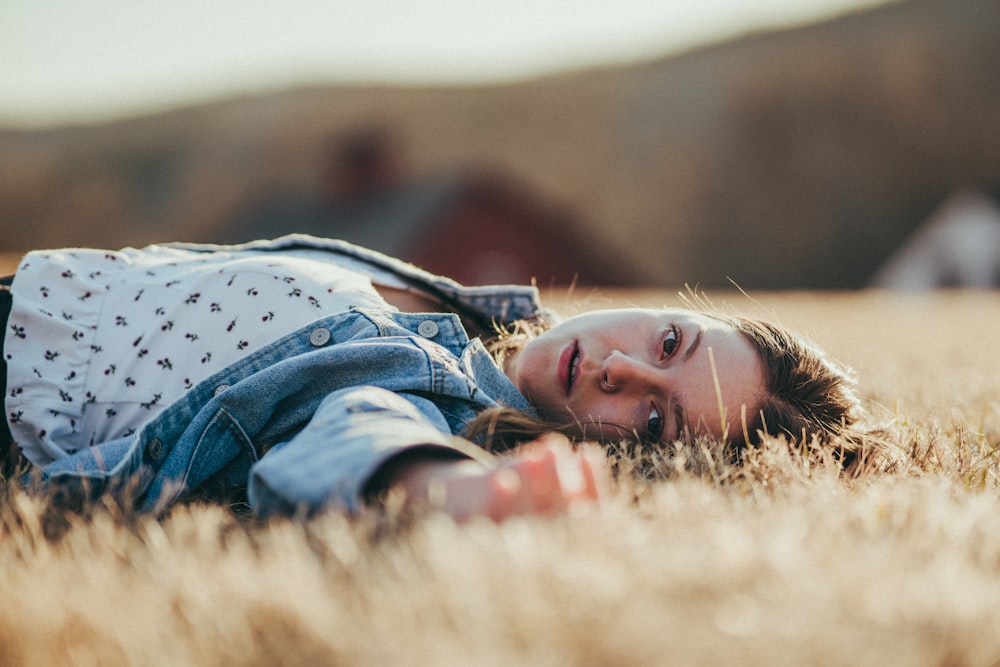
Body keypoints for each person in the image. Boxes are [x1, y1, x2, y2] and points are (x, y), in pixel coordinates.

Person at [0, 235, 865, 522]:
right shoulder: (466, 322)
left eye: (652, 421)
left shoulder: (437, 395)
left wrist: (450, 487)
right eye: (670, 341)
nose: (619, 368)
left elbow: (357, 431)